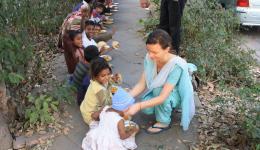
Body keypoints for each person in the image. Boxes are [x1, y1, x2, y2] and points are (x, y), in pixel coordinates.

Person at [125, 29, 195, 133]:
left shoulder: (176, 65)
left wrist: (138, 105)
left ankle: (164, 121)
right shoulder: (150, 58)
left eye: (154, 52)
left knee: (157, 93)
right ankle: (163, 109)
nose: (150, 55)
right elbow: (141, 84)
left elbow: (162, 97)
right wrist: (126, 99)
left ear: (167, 49)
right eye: (148, 51)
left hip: (173, 94)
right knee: (146, 109)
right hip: (160, 92)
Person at [80, 57, 113, 126]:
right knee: (112, 110)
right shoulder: (98, 89)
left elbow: (107, 83)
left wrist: (112, 81)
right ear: (95, 76)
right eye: (103, 75)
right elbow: (108, 103)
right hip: (91, 116)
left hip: (85, 109)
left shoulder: (95, 81)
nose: (107, 77)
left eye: (108, 74)